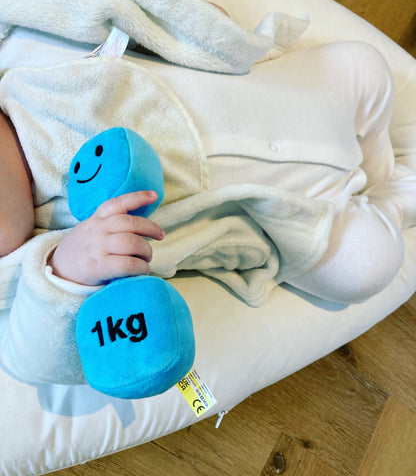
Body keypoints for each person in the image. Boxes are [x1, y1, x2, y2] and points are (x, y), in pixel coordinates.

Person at [0, 37, 415, 385]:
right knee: (366, 266)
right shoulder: (34, 265)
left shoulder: (28, 61)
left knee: (362, 67)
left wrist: (195, 30)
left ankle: (378, 157)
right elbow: (28, 361)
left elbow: (127, 3)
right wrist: (65, 274)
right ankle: (395, 199)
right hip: (282, 211)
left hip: (283, 102)